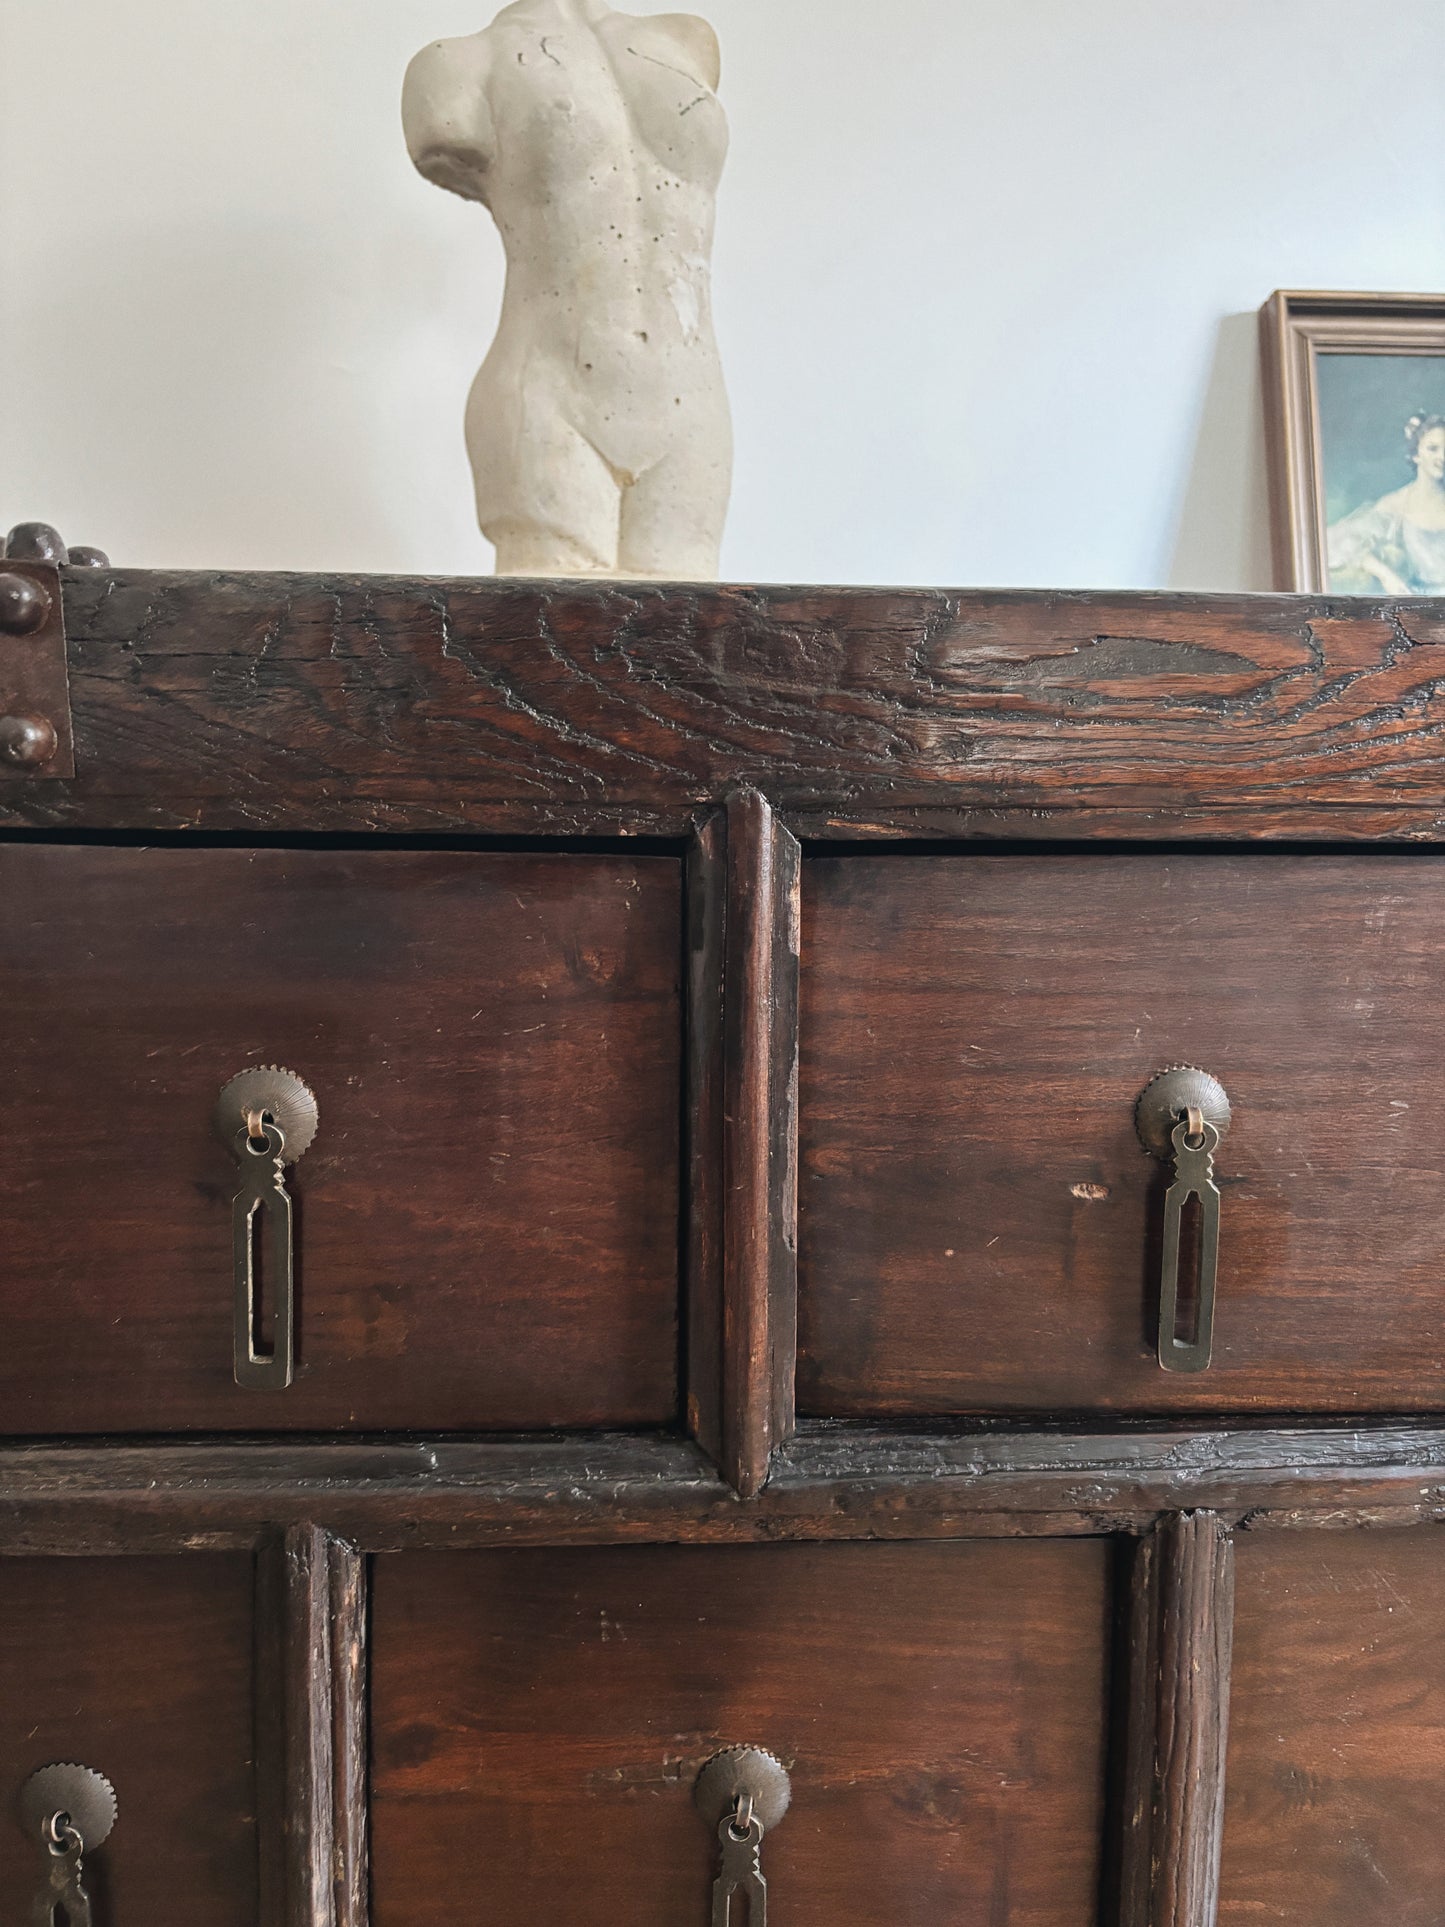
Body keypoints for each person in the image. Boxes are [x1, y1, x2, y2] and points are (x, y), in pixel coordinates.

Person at [403, 0, 732, 579]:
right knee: (549, 651)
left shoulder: (688, 41)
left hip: (692, 406)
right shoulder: (455, 65)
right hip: (550, 396)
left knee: (685, 654)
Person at [1326, 412, 1445, 595]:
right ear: (1416, 455)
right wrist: (1386, 574)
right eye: (1433, 449)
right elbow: (1340, 541)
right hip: (1420, 609)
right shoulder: (1398, 504)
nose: (1442, 458)